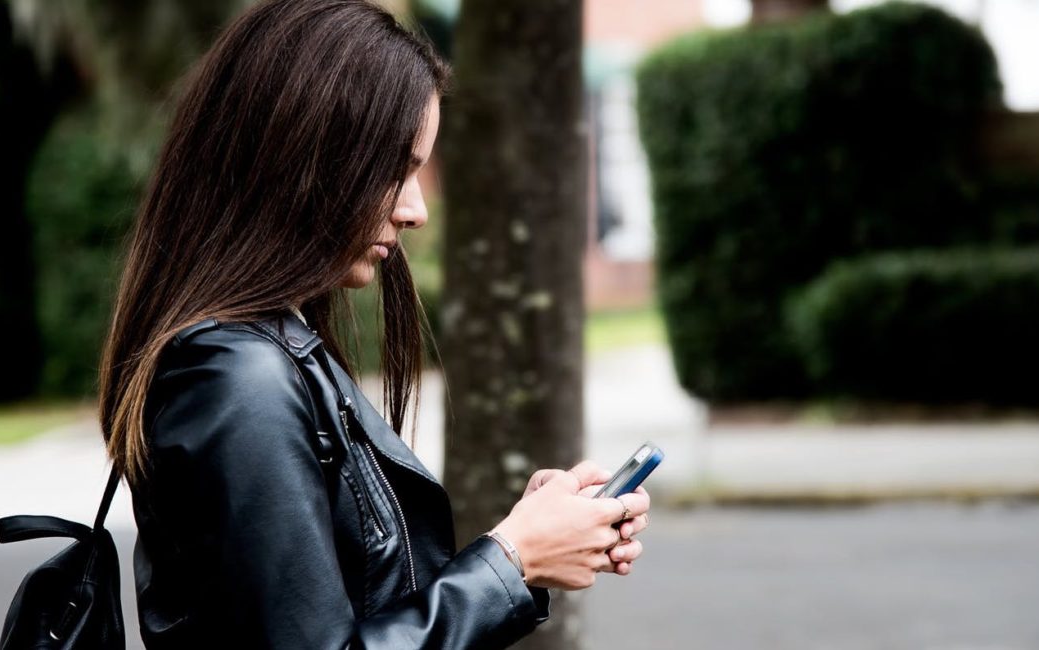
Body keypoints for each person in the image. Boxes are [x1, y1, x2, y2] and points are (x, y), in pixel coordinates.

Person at [96, 1, 651, 647]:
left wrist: (531, 538)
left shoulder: (272, 348)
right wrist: (511, 560)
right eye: (397, 170)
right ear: (302, 157)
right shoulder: (236, 378)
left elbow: (359, 601)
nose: (415, 210)